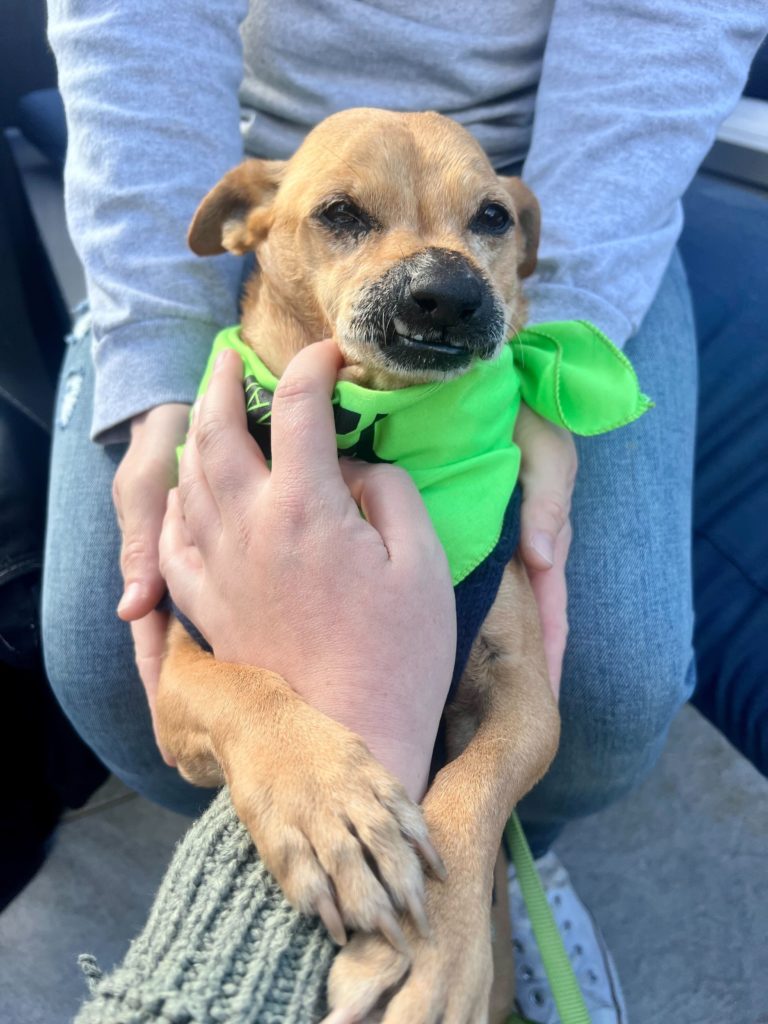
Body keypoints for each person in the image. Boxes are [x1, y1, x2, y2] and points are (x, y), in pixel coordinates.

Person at [43, 2, 768, 1020]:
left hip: (581, 164)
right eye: (352, 219)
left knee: (609, 682)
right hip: (239, 136)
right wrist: (157, 346)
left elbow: (670, 25)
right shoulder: (256, 207)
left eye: (481, 226)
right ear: (247, 225)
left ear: (515, 236)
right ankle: (299, 836)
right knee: (98, 661)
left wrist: (465, 845)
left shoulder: (519, 246)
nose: (434, 277)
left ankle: (504, 869)